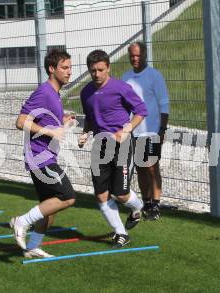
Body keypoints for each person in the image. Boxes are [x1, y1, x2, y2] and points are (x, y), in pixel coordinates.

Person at [10, 49, 76, 258]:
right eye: (64, 68)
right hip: (40, 157)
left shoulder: (54, 93)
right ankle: (21, 222)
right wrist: (50, 130)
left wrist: (62, 122)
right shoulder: (44, 92)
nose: (69, 72)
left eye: (70, 67)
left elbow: (44, 119)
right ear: (51, 69)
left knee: (50, 207)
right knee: (67, 197)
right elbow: (21, 121)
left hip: (45, 156)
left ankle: (32, 247)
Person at [78, 49, 147, 247]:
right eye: (93, 71)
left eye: (100, 70)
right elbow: (91, 117)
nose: (97, 74)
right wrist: (85, 133)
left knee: (121, 193)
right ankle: (121, 233)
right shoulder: (86, 92)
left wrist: (126, 129)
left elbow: (141, 110)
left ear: (108, 67)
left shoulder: (121, 88)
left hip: (122, 145)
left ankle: (137, 207)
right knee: (100, 194)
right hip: (100, 146)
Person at [122, 42, 170, 220]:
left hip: (151, 131)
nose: (135, 58)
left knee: (151, 167)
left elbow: (164, 103)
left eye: (138, 55)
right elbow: (123, 105)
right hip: (133, 131)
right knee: (141, 168)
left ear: (144, 55)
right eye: (132, 55)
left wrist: (162, 129)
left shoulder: (154, 76)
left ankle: (156, 205)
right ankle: (147, 202)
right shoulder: (125, 77)